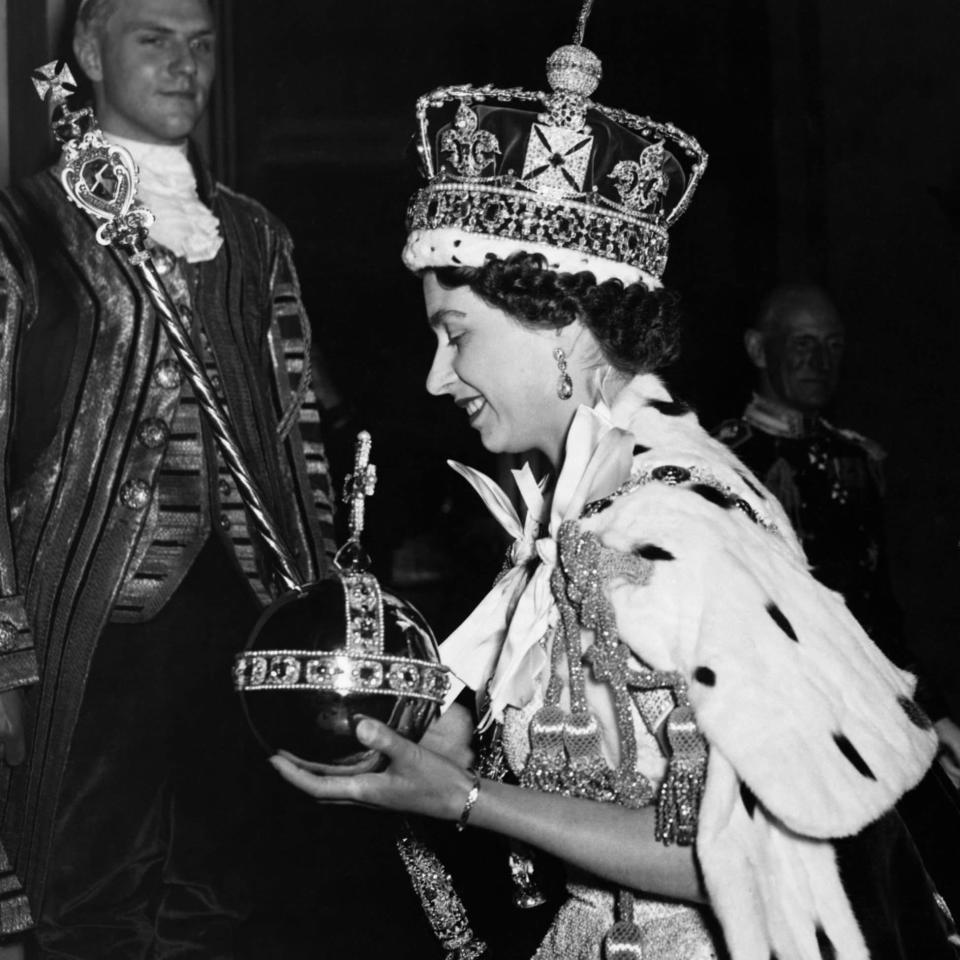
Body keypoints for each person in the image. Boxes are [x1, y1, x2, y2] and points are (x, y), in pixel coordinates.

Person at [270, 27, 957, 960]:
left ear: (564, 326)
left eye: (457, 333)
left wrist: (468, 801)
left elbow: (744, 851)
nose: (437, 377)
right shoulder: (580, 509)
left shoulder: (675, 522)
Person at [0, 0, 337, 953]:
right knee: (87, 900)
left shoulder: (256, 235)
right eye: (155, 40)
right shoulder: (21, 227)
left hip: (246, 618)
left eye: (201, 44)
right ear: (90, 53)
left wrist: (318, 616)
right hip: (86, 622)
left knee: (227, 897)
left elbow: (295, 437)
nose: (185, 66)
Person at [714, 284, 960, 786]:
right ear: (758, 349)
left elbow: (883, 611)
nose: (820, 360)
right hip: (773, 722)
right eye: (803, 343)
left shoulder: (862, 462)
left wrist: (932, 715)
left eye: (833, 345)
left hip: (873, 711)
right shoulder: (722, 463)